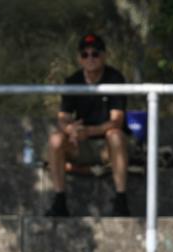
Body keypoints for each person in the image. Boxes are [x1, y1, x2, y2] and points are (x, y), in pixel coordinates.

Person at [46, 33, 130, 217]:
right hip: (80, 145)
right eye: (85, 54)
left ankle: (121, 199)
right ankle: (59, 200)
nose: (90, 58)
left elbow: (117, 120)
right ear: (79, 59)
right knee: (55, 140)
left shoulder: (115, 78)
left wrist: (90, 131)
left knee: (115, 135)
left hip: (107, 147)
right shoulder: (72, 82)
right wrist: (71, 130)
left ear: (104, 55)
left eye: (95, 53)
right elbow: (63, 118)